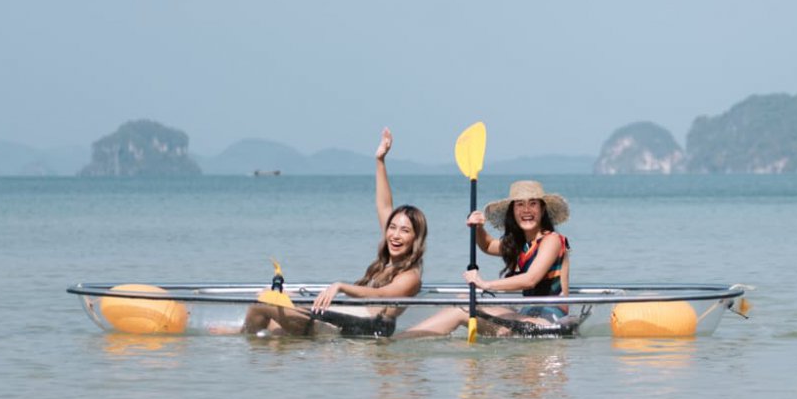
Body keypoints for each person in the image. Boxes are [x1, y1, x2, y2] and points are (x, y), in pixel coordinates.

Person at [241, 128, 426, 337]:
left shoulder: (411, 276)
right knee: (275, 328)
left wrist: (341, 286)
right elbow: (384, 206)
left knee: (262, 302)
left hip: (357, 330)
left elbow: (381, 294)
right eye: (392, 228)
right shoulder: (389, 260)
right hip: (341, 318)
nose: (395, 235)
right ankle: (258, 355)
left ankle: (238, 336)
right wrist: (380, 160)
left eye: (405, 231)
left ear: (415, 238)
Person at [401, 179, 574, 337]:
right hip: (528, 318)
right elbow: (488, 245)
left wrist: (486, 284)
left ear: (542, 210)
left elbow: (531, 279)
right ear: (513, 211)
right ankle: (406, 343)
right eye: (520, 204)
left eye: (533, 204)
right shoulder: (522, 245)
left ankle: (399, 342)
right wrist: (477, 228)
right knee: (463, 300)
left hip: (550, 324)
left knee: (462, 309)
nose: (526, 210)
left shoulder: (552, 240)